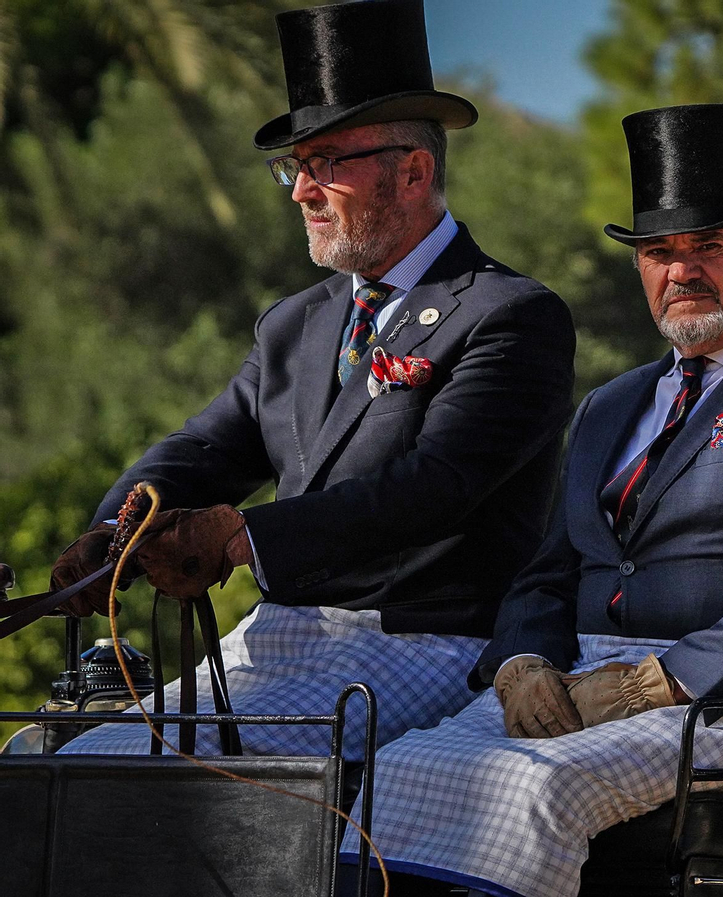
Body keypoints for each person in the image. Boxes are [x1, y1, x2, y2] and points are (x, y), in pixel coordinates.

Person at [337, 103, 723, 897]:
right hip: (589, 680)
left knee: (533, 789)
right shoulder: (612, 404)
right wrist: (520, 662)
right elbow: (551, 567)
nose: (681, 270)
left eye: (708, 245)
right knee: (397, 772)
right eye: (657, 251)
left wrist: (663, 679)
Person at [54, 0, 575, 758]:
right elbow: (205, 447)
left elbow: (435, 485)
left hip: (419, 646)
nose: (301, 191)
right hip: (277, 638)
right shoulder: (293, 323)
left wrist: (241, 537)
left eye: (327, 164)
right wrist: (114, 530)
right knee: (72, 762)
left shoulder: (513, 314)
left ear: (413, 171)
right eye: (297, 168)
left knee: (128, 770)